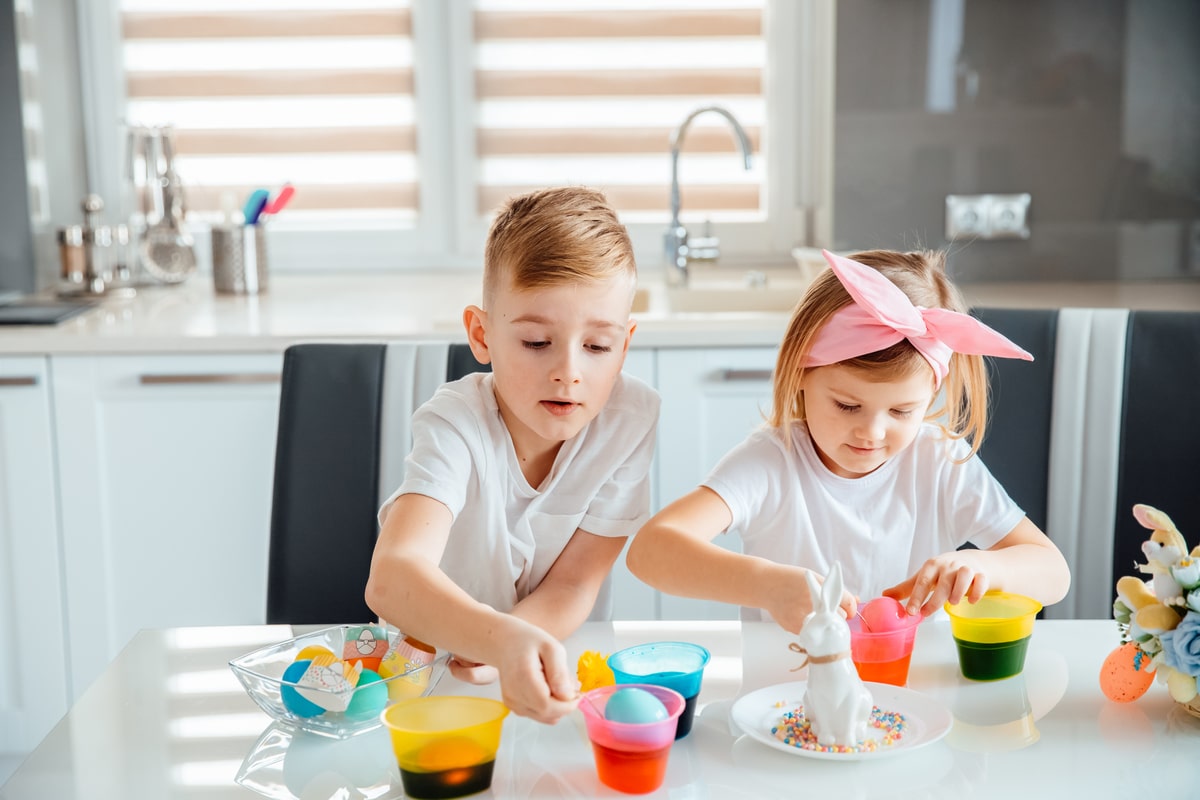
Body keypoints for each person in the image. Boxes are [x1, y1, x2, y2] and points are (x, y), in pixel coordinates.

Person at [625, 248, 1070, 633]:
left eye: (901, 411)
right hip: (784, 701)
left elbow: (1054, 573)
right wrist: (767, 585)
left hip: (913, 701)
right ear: (801, 373)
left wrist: (982, 567)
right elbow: (650, 551)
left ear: (931, 392)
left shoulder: (939, 462)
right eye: (847, 406)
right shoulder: (770, 463)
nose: (871, 433)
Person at [365, 186, 658, 724]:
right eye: (536, 342)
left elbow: (574, 582)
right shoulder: (455, 424)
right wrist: (499, 642)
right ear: (482, 334)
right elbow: (391, 577)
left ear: (625, 345)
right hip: (432, 686)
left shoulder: (631, 420)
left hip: (546, 668)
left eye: (597, 346)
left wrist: (512, 646)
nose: (568, 371)